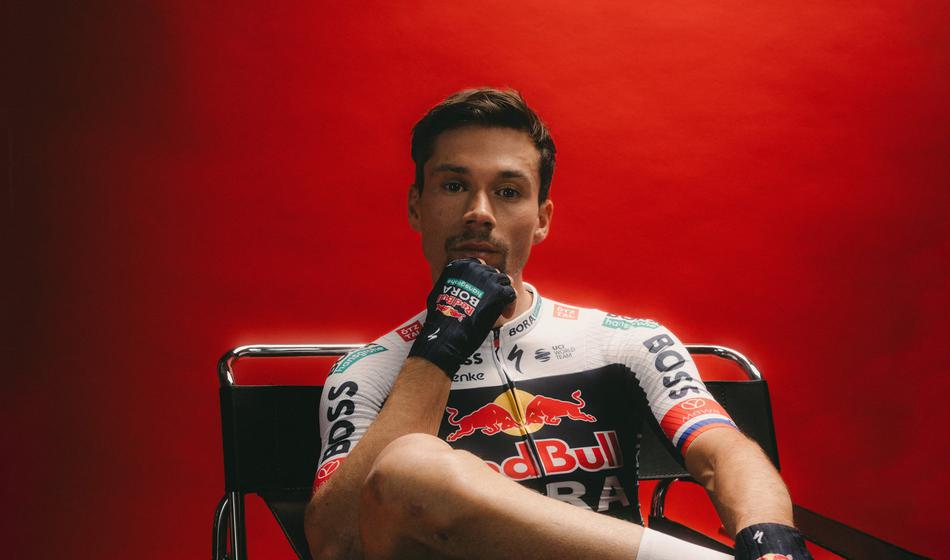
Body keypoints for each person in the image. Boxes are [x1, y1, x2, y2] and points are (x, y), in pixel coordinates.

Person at [304, 88, 810, 560]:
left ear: (542, 218)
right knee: (408, 468)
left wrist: (773, 539)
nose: (478, 213)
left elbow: (724, 452)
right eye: (454, 186)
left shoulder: (624, 341)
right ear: (417, 206)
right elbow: (337, 543)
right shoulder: (367, 372)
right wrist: (439, 347)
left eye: (508, 191)